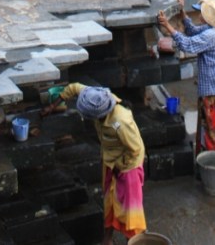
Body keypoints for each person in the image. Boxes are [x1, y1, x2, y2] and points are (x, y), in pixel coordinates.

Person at [42, 83, 146, 243]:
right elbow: (74, 87)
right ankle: (107, 239)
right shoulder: (91, 96)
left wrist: (120, 166)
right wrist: (52, 105)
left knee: (130, 212)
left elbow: (136, 150)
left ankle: (134, 241)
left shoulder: (120, 122)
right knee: (110, 202)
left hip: (127, 167)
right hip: (110, 161)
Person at [158, 0, 215, 163]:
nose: (199, 15)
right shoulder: (213, 29)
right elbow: (192, 31)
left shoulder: (211, 35)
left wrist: (167, 26)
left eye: (201, 13)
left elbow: (188, 44)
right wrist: (182, 12)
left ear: (209, 17)